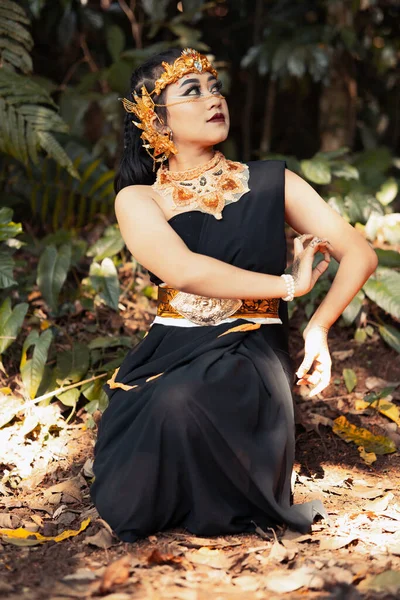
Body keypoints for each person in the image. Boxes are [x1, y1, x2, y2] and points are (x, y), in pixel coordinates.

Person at [90, 47, 378, 543]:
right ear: (155, 121)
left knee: (182, 400)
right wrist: (289, 285)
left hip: (251, 350)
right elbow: (185, 270)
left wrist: (318, 327)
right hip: (170, 347)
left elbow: (359, 253)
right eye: (193, 91)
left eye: (215, 87)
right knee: (158, 408)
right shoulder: (139, 199)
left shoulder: (272, 181)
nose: (213, 98)